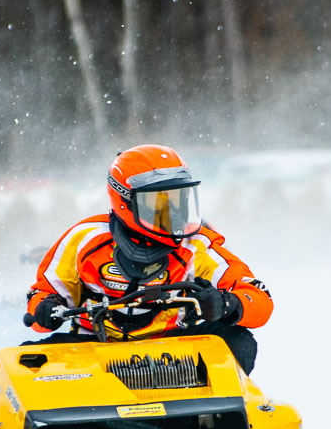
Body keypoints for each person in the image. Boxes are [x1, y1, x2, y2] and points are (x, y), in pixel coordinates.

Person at [25, 144, 272, 373]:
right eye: (159, 203)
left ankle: (215, 410)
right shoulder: (84, 239)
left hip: (174, 350)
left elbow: (259, 300)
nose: (173, 212)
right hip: (93, 348)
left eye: (178, 199)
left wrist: (226, 304)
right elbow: (41, 296)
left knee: (238, 341)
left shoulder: (197, 245)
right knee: (25, 361)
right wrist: (46, 308)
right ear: (125, 201)